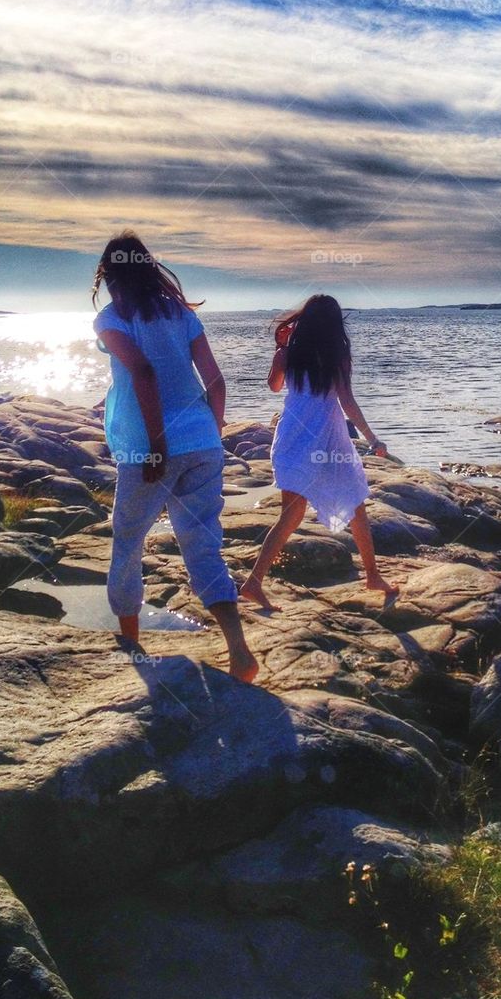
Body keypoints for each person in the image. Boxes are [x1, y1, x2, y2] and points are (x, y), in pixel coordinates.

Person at [92, 230, 258, 683]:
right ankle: (239, 651)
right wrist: (213, 430)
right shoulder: (181, 315)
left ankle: (132, 644)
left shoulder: (111, 318)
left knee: (127, 544)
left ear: (109, 276)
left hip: (148, 449)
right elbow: (217, 383)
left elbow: (143, 371)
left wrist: (159, 446)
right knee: (203, 547)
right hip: (203, 444)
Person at [240, 294, 398, 613]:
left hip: (294, 435)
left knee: (293, 514)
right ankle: (372, 576)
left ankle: (255, 582)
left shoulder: (289, 353)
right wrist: (372, 438)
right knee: (354, 503)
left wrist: (280, 351)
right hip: (326, 438)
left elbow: (273, 386)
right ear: (334, 325)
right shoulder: (336, 354)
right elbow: (347, 402)